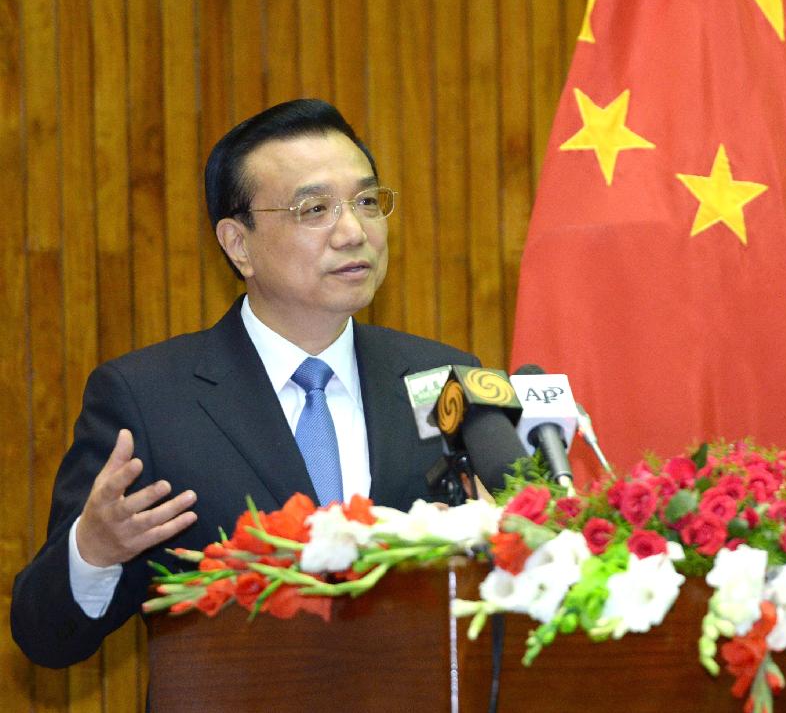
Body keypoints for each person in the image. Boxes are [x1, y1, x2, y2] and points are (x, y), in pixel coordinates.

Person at [11, 99, 479, 669]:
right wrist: (94, 549)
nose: (353, 231)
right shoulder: (150, 401)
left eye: (365, 201)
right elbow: (44, 635)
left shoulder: (440, 379)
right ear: (238, 244)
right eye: (315, 209)